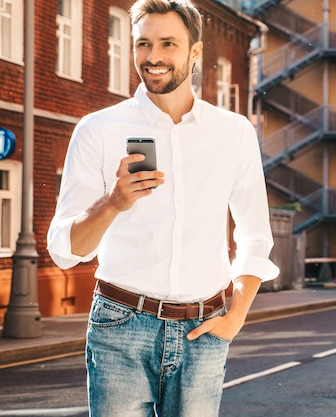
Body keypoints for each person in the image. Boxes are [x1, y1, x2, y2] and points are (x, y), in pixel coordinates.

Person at [46, 1, 279, 415]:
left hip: (204, 329)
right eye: (143, 44)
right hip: (120, 326)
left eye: (168, 43)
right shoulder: (98, 130)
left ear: (194, 51)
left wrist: (236, 315)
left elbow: (255, 235)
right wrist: (114, 202)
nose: (152, 57)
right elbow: (65, 250)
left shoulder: (233, 133)